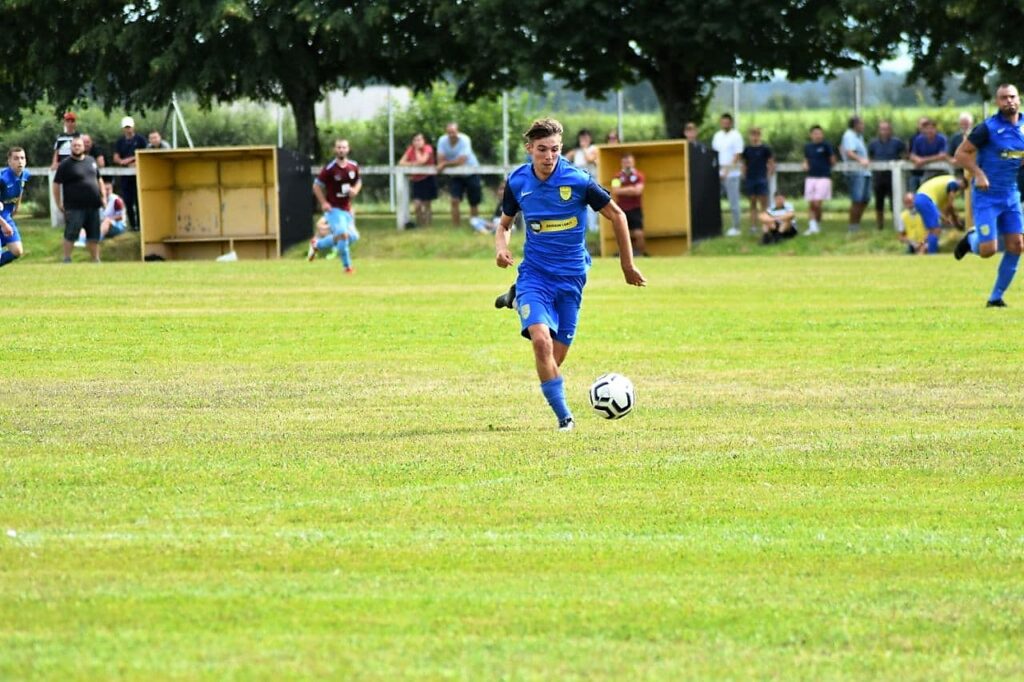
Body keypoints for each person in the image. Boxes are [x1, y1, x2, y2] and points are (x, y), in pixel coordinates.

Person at [493, 118, 646, 431]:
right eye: (542, 150)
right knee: (541, 344)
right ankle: (565, 419)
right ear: (529, 149)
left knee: (555, 360)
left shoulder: (577, 180)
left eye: (555, 150)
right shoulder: (519, 181)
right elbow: (504, 224)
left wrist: (627, 265)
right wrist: (501, 248)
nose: (549, 156)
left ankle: (515, 296)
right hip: (535, 273)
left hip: (571, 277)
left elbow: (617, 215)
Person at [953, 84, 1024, 307]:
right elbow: (961, 154)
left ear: (1019, 99)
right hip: (986, 196)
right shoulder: (987, 129)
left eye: (1012, 96)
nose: (1009, 101)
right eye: (1004, 98)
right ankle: (971, 238)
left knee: (1017, 246)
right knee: (987, 250)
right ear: (997, 102)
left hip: (1011, 195)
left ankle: (995, 298)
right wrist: (978, 173)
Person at [313, 138, 361, 274]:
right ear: (335, 150)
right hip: (334, 209)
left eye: (344, 147)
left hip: (347, 209)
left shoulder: (353, 166)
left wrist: (355, 190)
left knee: (353, 237)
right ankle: (347, 267)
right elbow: (316, 186)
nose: (341, 150)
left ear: (348, 149)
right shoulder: (329, 169)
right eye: (339, 147)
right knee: (343, 235)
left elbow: (358, 181)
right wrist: (323, 202)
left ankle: (318, 244)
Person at [53, 137, 104, 264]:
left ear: (84, 147)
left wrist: (103, 197)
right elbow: (56, 184)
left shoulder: (91, 161)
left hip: (93, 205)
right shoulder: (65, 164)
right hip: (74, 207)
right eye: (74, 145)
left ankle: (95, 260)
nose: (77, 147)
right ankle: (67, 259)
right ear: (71, 147)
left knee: (94, 235)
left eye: (79, 145)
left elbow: (99, 179)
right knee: (71, 233)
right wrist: (59, 203)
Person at [436, 122, 482, 227]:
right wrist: (444, 163)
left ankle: (475, 225)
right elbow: (440, 159)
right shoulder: (442, 140)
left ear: (458, 131)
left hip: (471, 172)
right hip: (456, 175)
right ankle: (456, 226)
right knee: (454, 200)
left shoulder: (465, 139)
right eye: (449, 132)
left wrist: (444, 164)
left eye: (454, 132)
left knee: (473, 202)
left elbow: (462, 160)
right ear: (446, 133)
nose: (452, 134)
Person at [868, 120, 906, 230]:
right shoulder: (873, 144)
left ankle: (898, 224)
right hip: (879, 176)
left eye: (887, 129)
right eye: (882, 129)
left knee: (894, 201)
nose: (885, 131)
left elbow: (903, 156)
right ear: (878, 131)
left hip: (893, 177)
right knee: (879, 202)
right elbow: (870, 158)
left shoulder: (897, 143)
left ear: (891, 130)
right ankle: (879, 225)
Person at [913, 174, 964, 254]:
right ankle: (932, 253)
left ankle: (919, 250)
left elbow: (941, 211)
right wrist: (956, 221)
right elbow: (950, 206)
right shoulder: (953, 183)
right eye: (961, 188)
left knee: (931, 231)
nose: (958, 191)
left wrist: (945, 218)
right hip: (926, 198)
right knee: (935, 230)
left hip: (920, 198)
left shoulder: (943, 191)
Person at [113, 116, 147, 230]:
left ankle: (142, 225)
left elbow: (144, 155)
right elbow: (116, 157)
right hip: (125, 177)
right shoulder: (120, 141)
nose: (128, 129)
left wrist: (131, 159)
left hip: (138, 176)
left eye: (129, 127)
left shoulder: (141, 140)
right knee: (128, 200)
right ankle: (133, 225)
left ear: (133, 127)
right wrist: (121, 161)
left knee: (139, 201)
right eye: (126, 127)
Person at [712, 113, 744, 236]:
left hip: (732, 174)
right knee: (715, 202)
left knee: (733, 202)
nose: (725, 124)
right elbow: (715, 154)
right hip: (718, 173)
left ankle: (736, 227)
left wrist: (727, 170)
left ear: (731, 123)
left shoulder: (736, 136)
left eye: (727, 122)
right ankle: (716, 228)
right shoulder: (717, 136)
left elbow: (737, 155)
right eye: (723, 122)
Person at [839, 116, 872, 232]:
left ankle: (857, 224)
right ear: (855, 125)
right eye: (861, 124)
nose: (863, 126)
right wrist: (860, 160)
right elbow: (849, 152)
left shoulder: (859, 137)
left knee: (865, 199)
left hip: (865, 172)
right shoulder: (849, 135)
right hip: (856, 172)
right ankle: (852, 226)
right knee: (857, 199)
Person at [398, 133, 438, 227]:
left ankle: (428, 225)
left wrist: (416, 152)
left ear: (424, 141)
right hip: (417, 180)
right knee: (417, 205)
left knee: (427, 204)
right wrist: (414, 162)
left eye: (419, 140)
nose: (417, 142)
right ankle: (420, 224)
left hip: (428, 178)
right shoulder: (410, 149)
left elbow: (422, 161)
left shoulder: (428, 148)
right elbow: (401, 162)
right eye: (415, 140)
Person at [610, 153, 646, 256]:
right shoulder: (617, 176)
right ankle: (625, 255)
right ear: (622, 163)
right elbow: (615, 191)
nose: (627, 164)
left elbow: (638, 191)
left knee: (638, 233)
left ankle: (642, 254)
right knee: (622, 234)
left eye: (629, 162)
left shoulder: (639, 175)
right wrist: (631, 189)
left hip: (635, 208)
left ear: (633, 162)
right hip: (621, 209)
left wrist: (625, 190)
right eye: (625, 162)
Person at [0, 147, 30, 268]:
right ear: (9, 161)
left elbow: (20, 188)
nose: (20, 161)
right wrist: (3, 224)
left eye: (22, 158)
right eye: (16, 158)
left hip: (5, 216)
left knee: (17, 251)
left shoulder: (25, 174)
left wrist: (17, 206)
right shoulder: (2, 179)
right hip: (1, 219)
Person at [803, 125, 835, 235]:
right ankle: (812, 227)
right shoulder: (807, 147)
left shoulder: (826, 146)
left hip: (823, 177)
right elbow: (806, 159)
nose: (818, 135)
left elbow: (832, 160)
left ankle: (817, 223)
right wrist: (805, 164)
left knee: (817, 203)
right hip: (811, 177)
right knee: (811, 203)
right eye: (815, 133)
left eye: (820, 133)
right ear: (811, 135)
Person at [741, 127, 774, 234]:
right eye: (752, 134)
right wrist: (745, 176)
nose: (755, 137)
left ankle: (765, 224)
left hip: (761, 179)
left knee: (763, 204)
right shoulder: (747, 149)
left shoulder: (765, 149)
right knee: (752, 203)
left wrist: (767, 176)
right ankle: (753, 226)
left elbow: (771, 163)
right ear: (750, 136)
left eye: (757, 134)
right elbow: (744, 164)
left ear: (760, 135)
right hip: (751, 179)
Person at [909, 118, 948, 192]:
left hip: (939, 171)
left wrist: (924, 160)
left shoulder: (942, 139)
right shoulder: (918, 139)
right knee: (913, 181)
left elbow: (942, 155)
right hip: (922, 171)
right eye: (927, 129)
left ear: (936, 129)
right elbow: (912, 155)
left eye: (932, 128)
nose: (929, 131)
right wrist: (917, 159)